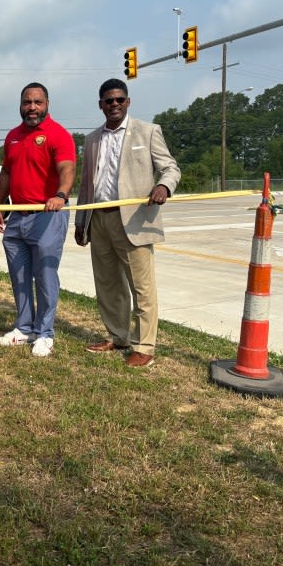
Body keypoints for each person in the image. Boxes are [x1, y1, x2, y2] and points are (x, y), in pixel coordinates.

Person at [74, 78, 181, 367]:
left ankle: (144, 345)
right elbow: (86, 185)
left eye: (120, 99)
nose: (115, 105)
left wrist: (164, 187)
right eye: (109, 101)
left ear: (128, 102)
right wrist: (81, 221)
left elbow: (170, 167)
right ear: (101, 105)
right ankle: (117, 336)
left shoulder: (147, 132)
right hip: (100, 220)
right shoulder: (92, 139)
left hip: (134, 221)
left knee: (141, 287)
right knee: (108, 284)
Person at [0, 82, 76, 357]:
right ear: (20, 105)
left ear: (47, 104)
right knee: (19, 276)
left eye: (37, 102)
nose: (32, 108)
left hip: (47, 216)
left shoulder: (58, 134)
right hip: (18, 217)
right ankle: (24, 328)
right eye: (27, 102)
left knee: (45, 276)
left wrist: (61, 195)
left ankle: (45, 333)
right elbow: (5, 173)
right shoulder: (13, 136)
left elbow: (67, 168)